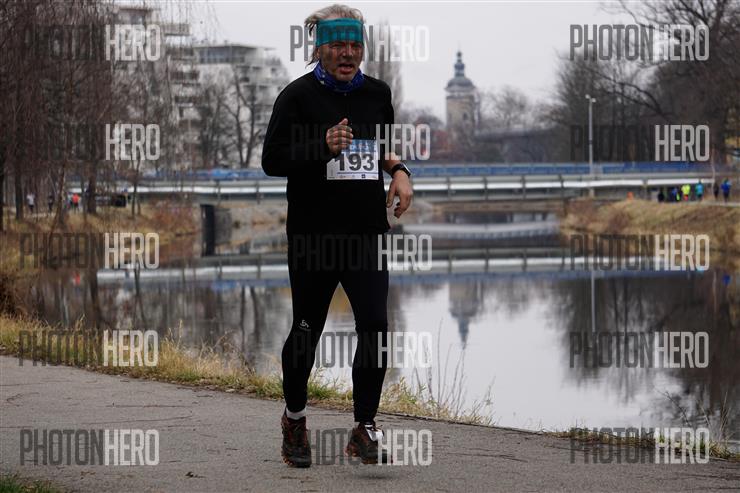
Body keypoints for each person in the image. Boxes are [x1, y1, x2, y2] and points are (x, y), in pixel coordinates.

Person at [261, 4, 413, 468]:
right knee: (307, 330)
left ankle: (364, 426)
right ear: (319, 49)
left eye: (354, 45)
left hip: (364, 232)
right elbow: (272, 161)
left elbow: (380, 147)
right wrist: (321, 146)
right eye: (338, 45)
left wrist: (400, 172)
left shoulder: (378, 94)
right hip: (314, 235)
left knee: (376, 326)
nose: (348, 54)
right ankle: (294, 420)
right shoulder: (296, 97)